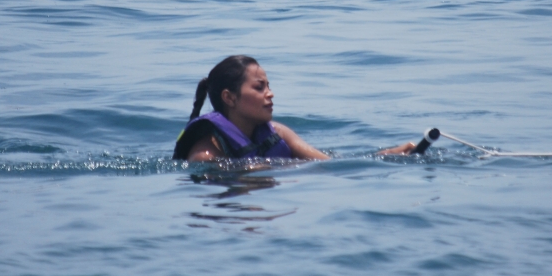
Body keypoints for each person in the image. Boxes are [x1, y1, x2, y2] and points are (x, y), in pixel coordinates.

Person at [173, 55, 416, 161]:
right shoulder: (206, 155)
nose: (270, 93)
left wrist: (382, 158)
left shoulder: (278, 133)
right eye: (259, 88)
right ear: (229, 98)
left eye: (269, 86)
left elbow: (327, 164)